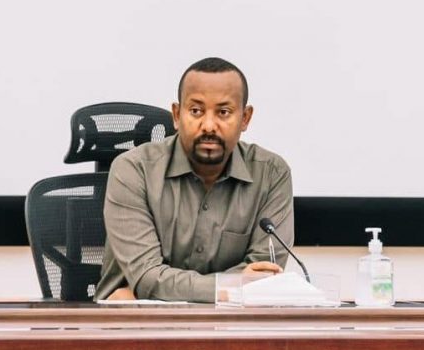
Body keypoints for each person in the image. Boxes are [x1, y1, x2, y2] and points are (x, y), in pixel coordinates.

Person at [95, 57, 295, 302]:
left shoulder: (272, 174)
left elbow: (263, 277)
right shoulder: (134, 170)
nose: (208, 126)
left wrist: (175, 289)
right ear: (177, 115)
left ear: (245, 118)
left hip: (229, 322)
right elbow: (147, 277)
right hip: (135, 320)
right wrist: (233, 288)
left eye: (223, 112)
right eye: (196, 111)